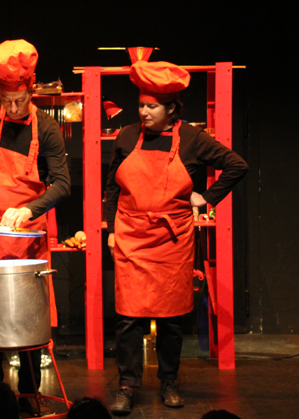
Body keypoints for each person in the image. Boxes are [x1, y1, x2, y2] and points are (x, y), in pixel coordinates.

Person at [105, 60, 248, 415]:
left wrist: (207, 197)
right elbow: (112, 188)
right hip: (131, 236)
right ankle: (127, 385)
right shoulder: (127, 136)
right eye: (142, 105)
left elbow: (236, 165)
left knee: (170, 318)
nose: (144, 112)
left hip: (172, 240)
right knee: (128, 318)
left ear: (171, 109)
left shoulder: (193, 139)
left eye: (152, 106)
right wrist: (111, 230)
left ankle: (169, 381)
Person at [0, 39, 71, 418]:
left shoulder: (47, 128)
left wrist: (28, 209)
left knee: (28, 315)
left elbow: (62, 184)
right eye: (6, 101)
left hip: (26, 235)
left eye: (19, 100)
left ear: (31, 91)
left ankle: (28, 392)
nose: (13, 108)